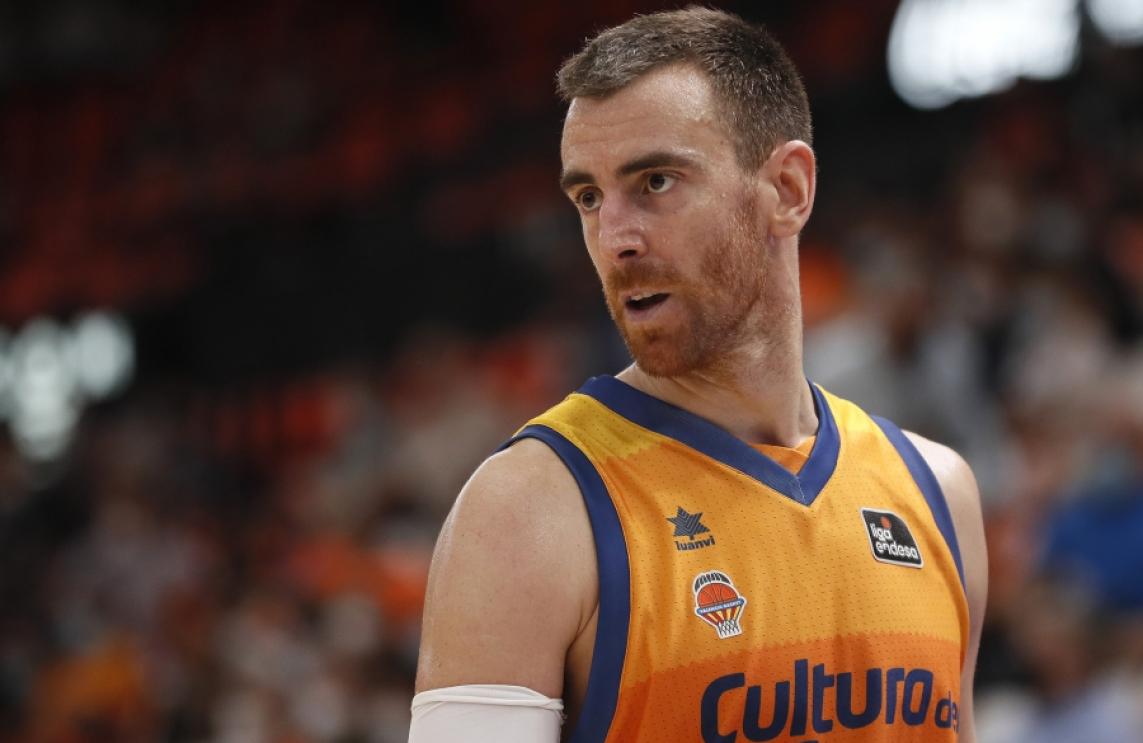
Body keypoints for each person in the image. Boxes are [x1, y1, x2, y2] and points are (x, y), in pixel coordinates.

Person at [410, 7, 987, 743]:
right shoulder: (528, 511)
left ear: (787, 189)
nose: (614, 238)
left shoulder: (939, 494)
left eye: (655, 181)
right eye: (588, 197)